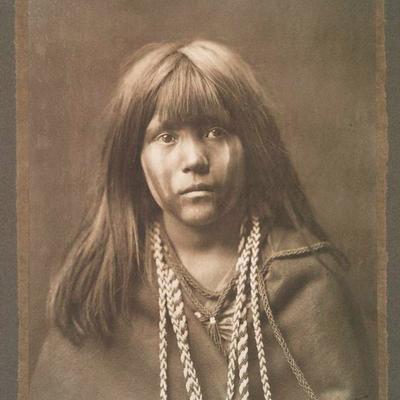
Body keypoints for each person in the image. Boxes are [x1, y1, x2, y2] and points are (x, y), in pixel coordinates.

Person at [31, 40, 374, 400]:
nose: (194, 158)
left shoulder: (305, 278)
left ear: (251, 146)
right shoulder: (104, 290)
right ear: (135, 159)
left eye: (215, 131)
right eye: (167, 137)